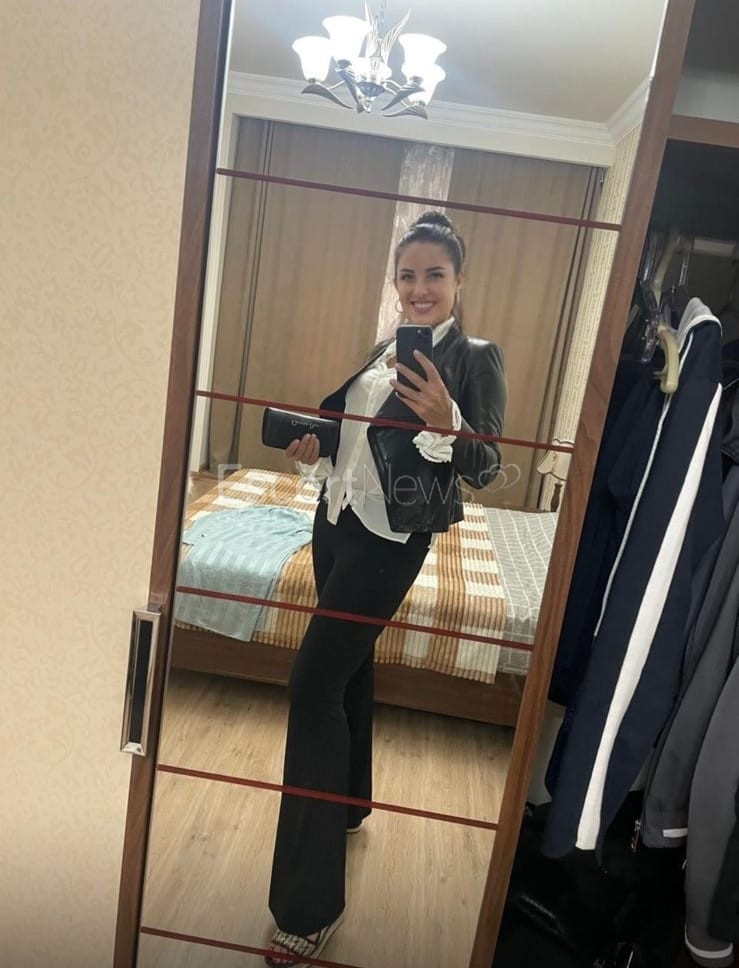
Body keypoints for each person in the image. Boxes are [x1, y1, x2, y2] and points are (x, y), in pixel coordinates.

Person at [264, 211, 507, 966]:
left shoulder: (474, 356)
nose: (419, 288)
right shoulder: (385, 348)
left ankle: (308, 906)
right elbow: (354, 438)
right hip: (335, 521)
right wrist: (315, 444)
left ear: (459, 280)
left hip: (389, 540)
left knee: (312, 687)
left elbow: (488, 465)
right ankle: (348, 804)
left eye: (434, 274)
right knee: (348, 668)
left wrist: (448, 421)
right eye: (407, 275)